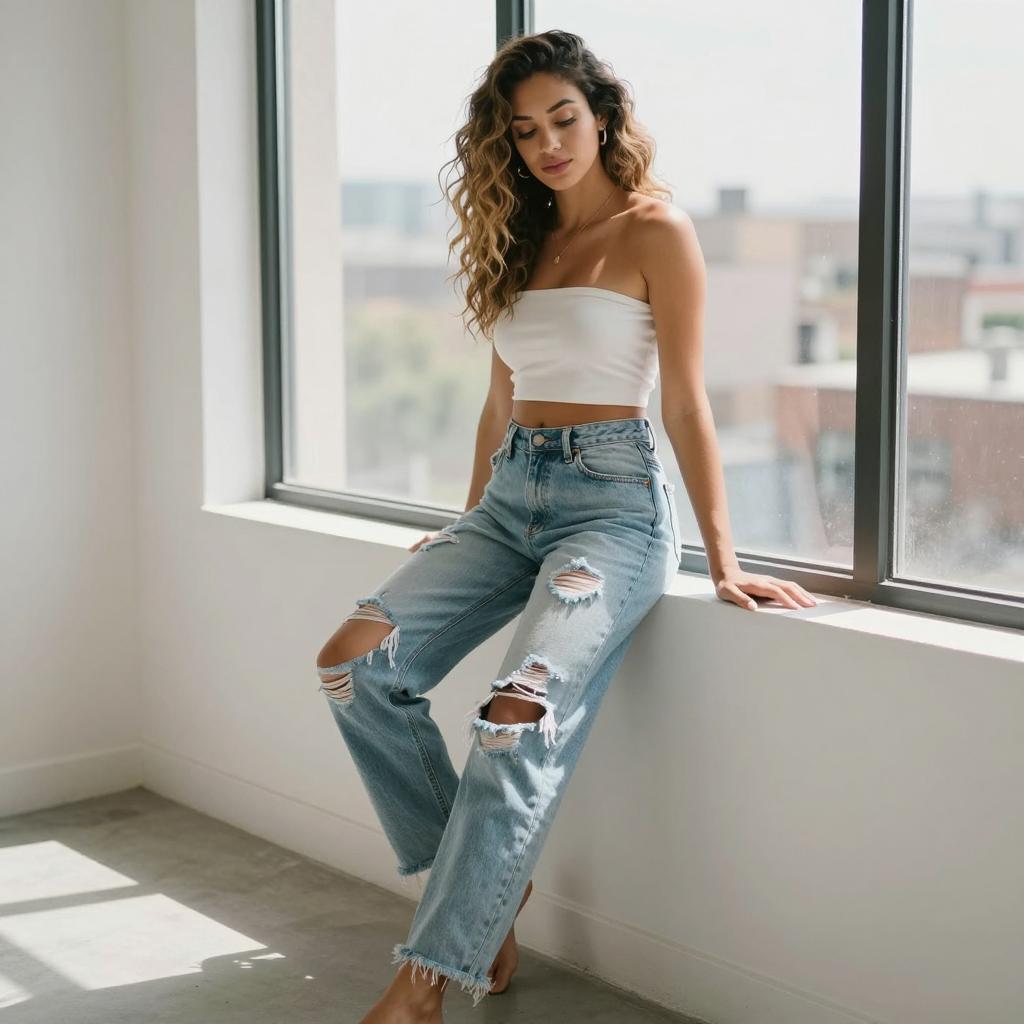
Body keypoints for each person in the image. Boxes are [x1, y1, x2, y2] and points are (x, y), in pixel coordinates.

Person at [315, 29, 817, 1024]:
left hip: (613, 506)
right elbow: (498, 401)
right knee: (355, 663)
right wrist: (465, 525)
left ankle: (425, 984)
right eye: (524, 130)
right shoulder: (519, 239)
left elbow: (684, 401)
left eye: (563, 119)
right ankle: (486, 904)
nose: (547, 143)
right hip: (510, 503)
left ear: (601, 116)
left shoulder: (654, 231)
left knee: (514, 718)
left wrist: (723, 558)